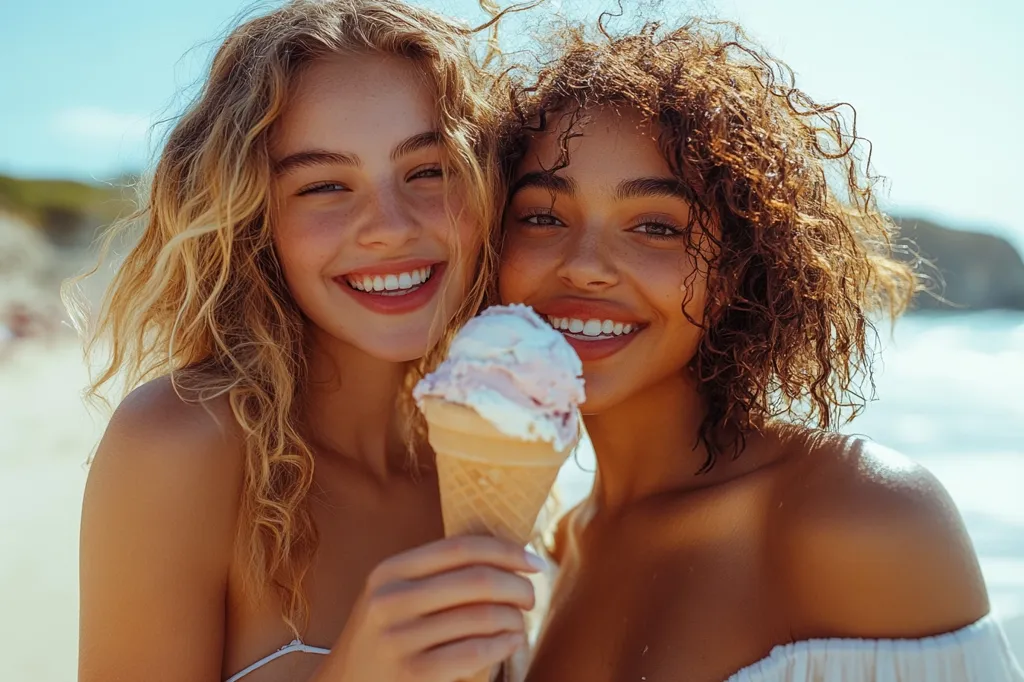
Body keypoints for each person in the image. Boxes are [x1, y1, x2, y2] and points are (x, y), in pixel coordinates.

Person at [497, 18, 1024, 681]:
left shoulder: (858, 519)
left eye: (656, 227)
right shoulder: (549, 553)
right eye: (543, 217)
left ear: (738, 269)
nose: (584, 266)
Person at [70, 2, 543, 681]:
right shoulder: (181, 443)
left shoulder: (481, 454)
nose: (390, 226)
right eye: (324, 185)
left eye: (429, 170)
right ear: (255, 218)